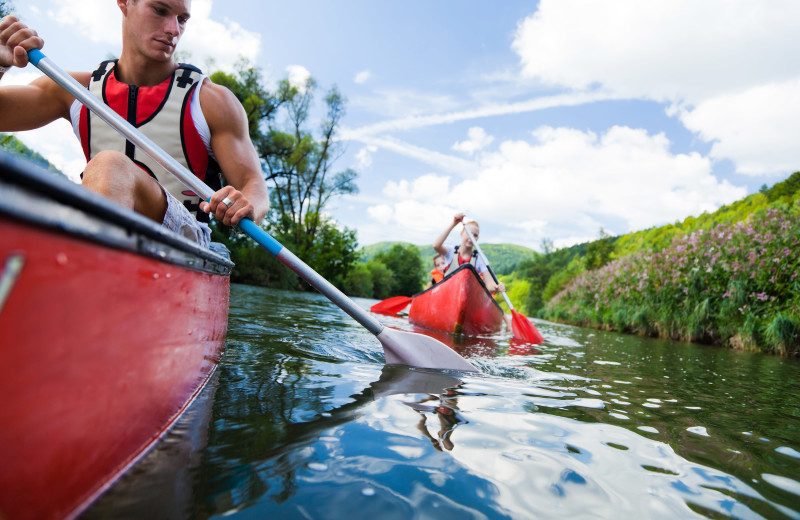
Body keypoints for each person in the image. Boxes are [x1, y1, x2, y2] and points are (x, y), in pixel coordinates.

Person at [0, 0, 268, 247]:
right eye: (160, 10)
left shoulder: (211, 100)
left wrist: (248, 205)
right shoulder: (74, 89)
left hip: (185, 239)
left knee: (109, 165)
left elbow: (253, 184)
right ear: (124, 3)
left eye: (182, 19)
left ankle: (80, 271)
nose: (173, 29)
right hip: (99, 224)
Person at [432, 211, 505, 293]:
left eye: (475, 235)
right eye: (469, 233)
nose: (472, 237)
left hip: (467, 295)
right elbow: (436, 245)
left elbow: (490, 285)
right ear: (461, 234)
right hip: (448, 294)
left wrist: (497, 287)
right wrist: (454, 223)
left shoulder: (479, 258)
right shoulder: (450, 251)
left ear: (477, 238)